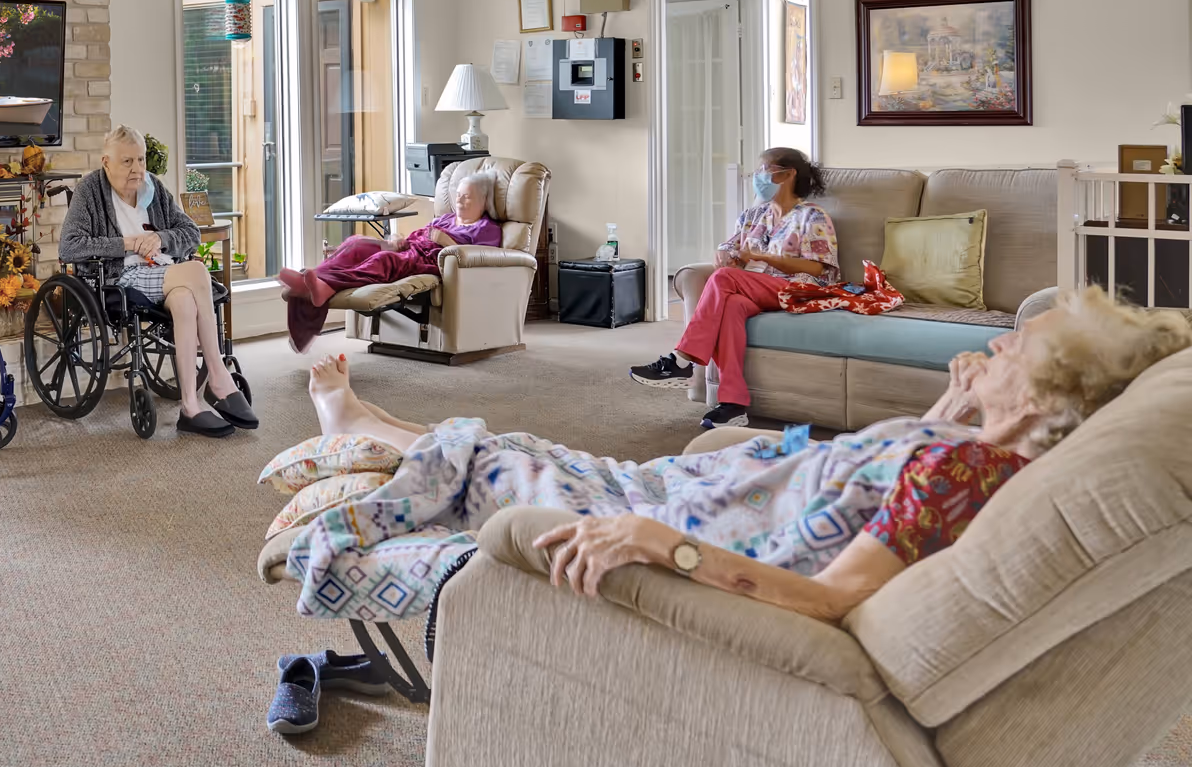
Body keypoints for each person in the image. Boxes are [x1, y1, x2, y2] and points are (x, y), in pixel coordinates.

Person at [282, 287, 1187, 627]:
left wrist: (658, 542)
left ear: (1040, 398)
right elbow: (892, 474)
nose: (995, 345)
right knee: (533, 446)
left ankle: (353, 420)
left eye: (1015, 350)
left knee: (509, 466)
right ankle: (368, 418)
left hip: (697, 529)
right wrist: (951, 412)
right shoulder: (976, 455)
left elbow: (834, 599)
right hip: (720, 486)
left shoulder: (964, 477)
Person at [58, 125, 258, 437]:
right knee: (196, 272)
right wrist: (126, 243)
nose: (137, 169)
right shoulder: (89, 191)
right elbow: (70, 247)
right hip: (119, 277)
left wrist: (160, 238)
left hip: (163, 271)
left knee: (185, 299)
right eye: (127, 162)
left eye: (140, 160)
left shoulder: (153, 189)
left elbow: (190, 232)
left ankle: (190, 406)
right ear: (106, 162)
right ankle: (219, 375)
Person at [630, 146, 840, 428]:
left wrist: (760, 256)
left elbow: (819, 269)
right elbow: (730, 247)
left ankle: (681, 360)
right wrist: (724, 254)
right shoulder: (753, 216)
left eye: (763, 170)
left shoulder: (812, 217)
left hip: (798, 289)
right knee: (731, 305)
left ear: (788, 174)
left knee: (724, 278)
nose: (757, 177)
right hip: (754, 289)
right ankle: (733, 404)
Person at [277, 171, 502, 352]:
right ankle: (312, 281)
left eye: (468, 196)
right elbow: (419, 233)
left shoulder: (487, 229)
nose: (460, 201)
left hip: (427, 261)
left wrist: (447, 240)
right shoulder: (445, 218)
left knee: (383, 260)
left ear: (483, 201)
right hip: (409, 248)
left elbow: (477, 258)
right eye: (459, 195)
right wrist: (397, 238)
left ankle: (322, 287)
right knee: (357, 243)